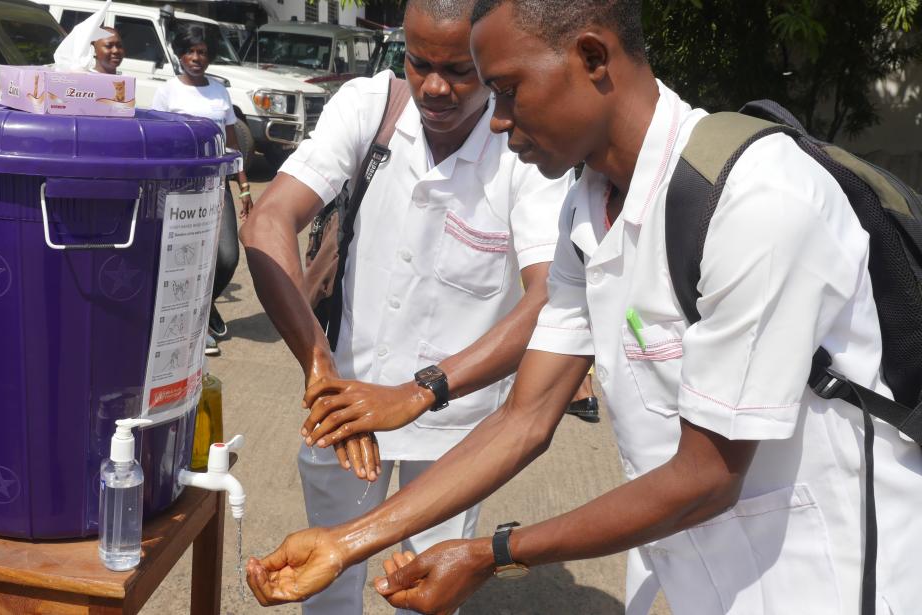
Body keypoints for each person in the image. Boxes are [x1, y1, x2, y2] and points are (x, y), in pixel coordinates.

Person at [246, 1, 922, 614]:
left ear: (593, 58)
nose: (500, 121)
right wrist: (344, 542)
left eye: (508, 91)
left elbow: (707, 474)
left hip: (831, 578)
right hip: (704, 576)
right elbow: (526, 416)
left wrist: (494, 552)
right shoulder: (586, 207)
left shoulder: (755, 201)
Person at [238, 0, 569, 612]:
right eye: (419, 64)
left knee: (421, 591)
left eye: (460, 71)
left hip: (452, 433)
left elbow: (551, 297)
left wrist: (418, 393)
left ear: (492, 62)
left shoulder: (522, 145)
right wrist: (318, 363)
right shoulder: (373, 107)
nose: (435, 87)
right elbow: (268, 221)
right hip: (345, 417)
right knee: (326, 585)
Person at [151, 26, 253, 356]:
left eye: (203, 52)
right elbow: (159, 141)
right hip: (180, 189)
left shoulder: (219, 92)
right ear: (180, 54)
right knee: (184, 261)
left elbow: (232, 142)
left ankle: (206, 308)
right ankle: (194, 325)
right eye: (190, 51)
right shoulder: (167, 92)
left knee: (226, 257)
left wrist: (244, 186)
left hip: (216, 184)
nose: (197, 58)